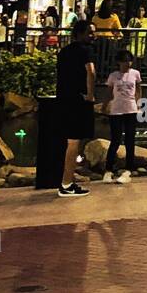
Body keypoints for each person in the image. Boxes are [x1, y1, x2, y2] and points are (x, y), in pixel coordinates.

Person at [55, 19, 96, 197]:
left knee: (67, 141)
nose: (93, 36)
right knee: (74, 142)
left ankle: (65, 180)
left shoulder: (64, 52)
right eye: (90, 32)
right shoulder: (85, 51)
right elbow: (91, 72)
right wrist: (90, 95)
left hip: (63, 98)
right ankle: (66, 183)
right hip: (78, 100)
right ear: (79, 34)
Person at [103, 50, 141, 184]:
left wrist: (138, 104)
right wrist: (104, 106)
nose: (127, 63)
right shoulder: (113, 76)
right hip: (116, 110)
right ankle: (108, 169)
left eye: (129, 60)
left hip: (130, 109)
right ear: (119, 62)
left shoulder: (135, 73)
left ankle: (128, 168)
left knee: (130, 140)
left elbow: (138, 89)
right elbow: (109, 93)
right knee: (115, 140)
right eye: (125, 61)